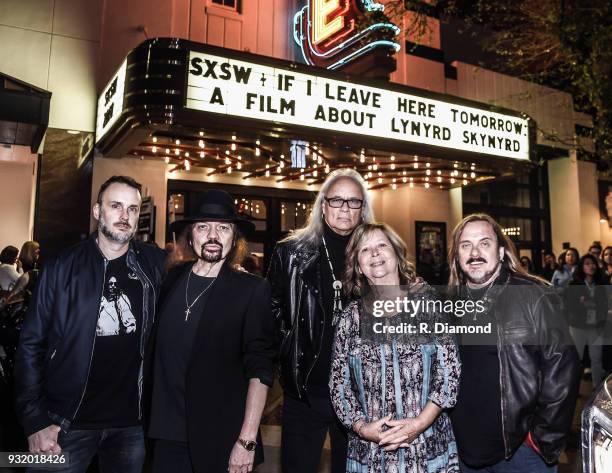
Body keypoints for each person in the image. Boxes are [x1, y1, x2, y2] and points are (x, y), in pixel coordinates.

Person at [14, 175, 166, 473]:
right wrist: (34, 420)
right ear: (97, 211)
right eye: (116, 206)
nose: (125, 216)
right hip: (63, 423)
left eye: (133, 209)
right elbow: (31, 345)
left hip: (130, 426)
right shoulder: (62, 266)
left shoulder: (154, 266)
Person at [147, 189, 275, 473]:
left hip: (220, 437)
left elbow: (260, 370)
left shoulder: (251, 290)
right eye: (203, 227)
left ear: (234, 238)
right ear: (191, 236)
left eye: (223, 228)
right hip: (165, 433)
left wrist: (247, 440)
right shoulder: (171, 279)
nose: (213, 235)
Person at [448, 214, 580, 473]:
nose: (475, 252)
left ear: (500, 251)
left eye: (484, 243)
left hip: (520, 453)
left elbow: (564, 370)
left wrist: (540, 438)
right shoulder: (450, 304)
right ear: (457, 256)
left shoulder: (534, 296)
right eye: (466, 245)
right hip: (464, 452)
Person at [267, 169, 374, 473]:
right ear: (323, 205)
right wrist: (286, 365)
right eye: (337, 200)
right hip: (306, 393)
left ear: (362, 209)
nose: (344, 208)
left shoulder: (376, 254)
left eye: (353, 201)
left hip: (360, 395)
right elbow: (271, 320)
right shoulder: (291, 253)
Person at [330, 223, 460, 472]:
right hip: (369, 454)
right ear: (358, 264)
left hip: (428, 448)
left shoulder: (428, 303)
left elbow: (449, 371)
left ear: (397, 253)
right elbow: (339, 384)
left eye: (382, 245)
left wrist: (420, 423)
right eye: (365, 249)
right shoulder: (350, 318)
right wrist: (361, 427)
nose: (375, 254)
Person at [563, 254, 608, 387]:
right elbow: (569, 305)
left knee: (597, 358)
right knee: (576, 358)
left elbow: (605, 304)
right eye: (587, 263)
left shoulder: (601, 283)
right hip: (578, 326)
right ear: (582, 267)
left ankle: (596, 388)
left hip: (596, 325)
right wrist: (582, 304)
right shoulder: (574, 284)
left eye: (593, 263)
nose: (591, 266)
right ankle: (572, 388)